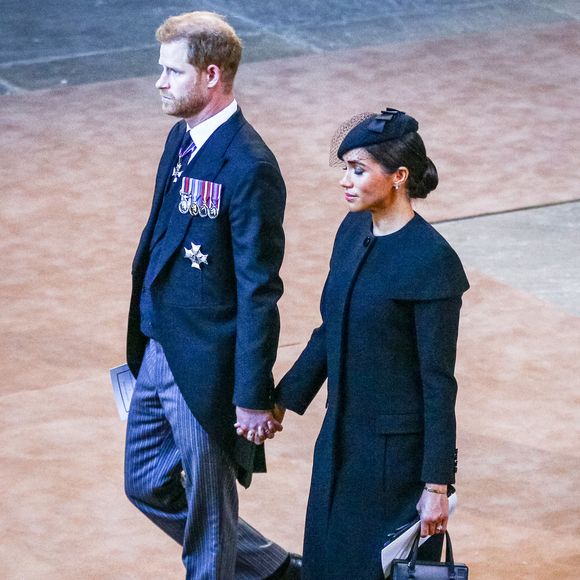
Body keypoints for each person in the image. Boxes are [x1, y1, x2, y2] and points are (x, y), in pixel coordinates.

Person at [123, 11, 300, 579]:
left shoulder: (249, 165)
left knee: (209, 516)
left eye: (172, 71)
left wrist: (250, 392)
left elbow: (259, 289)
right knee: (144, 481)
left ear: (211, 75)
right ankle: (272, 568)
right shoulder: (182, 138)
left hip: (207, 367)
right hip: (158, 348)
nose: (160, 81)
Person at [273, 108, 469, 578]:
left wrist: (436, 485)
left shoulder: (432, 262)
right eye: (345, 168)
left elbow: (438, 382)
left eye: (358, 170)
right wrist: (280, 401)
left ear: (399, 176)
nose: (346, 180)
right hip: (338, 441)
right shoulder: (352, 231)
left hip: (391, 464)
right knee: (322, 566)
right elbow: (330, 329)